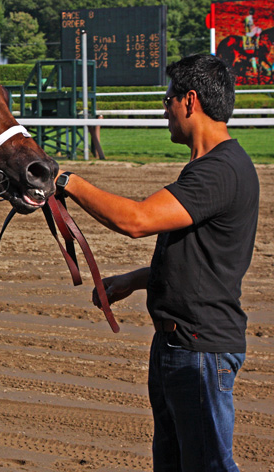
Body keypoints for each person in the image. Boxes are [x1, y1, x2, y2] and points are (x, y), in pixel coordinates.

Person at [55, 54, 259, 471]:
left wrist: (68, 182)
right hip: (180, 344)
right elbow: (203, 264)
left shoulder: (218, 172)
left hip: (200, 348)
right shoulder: (210, 167)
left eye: (167, 99)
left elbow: (136, 220)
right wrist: (134, 279)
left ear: (190, 101)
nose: (164, 109)